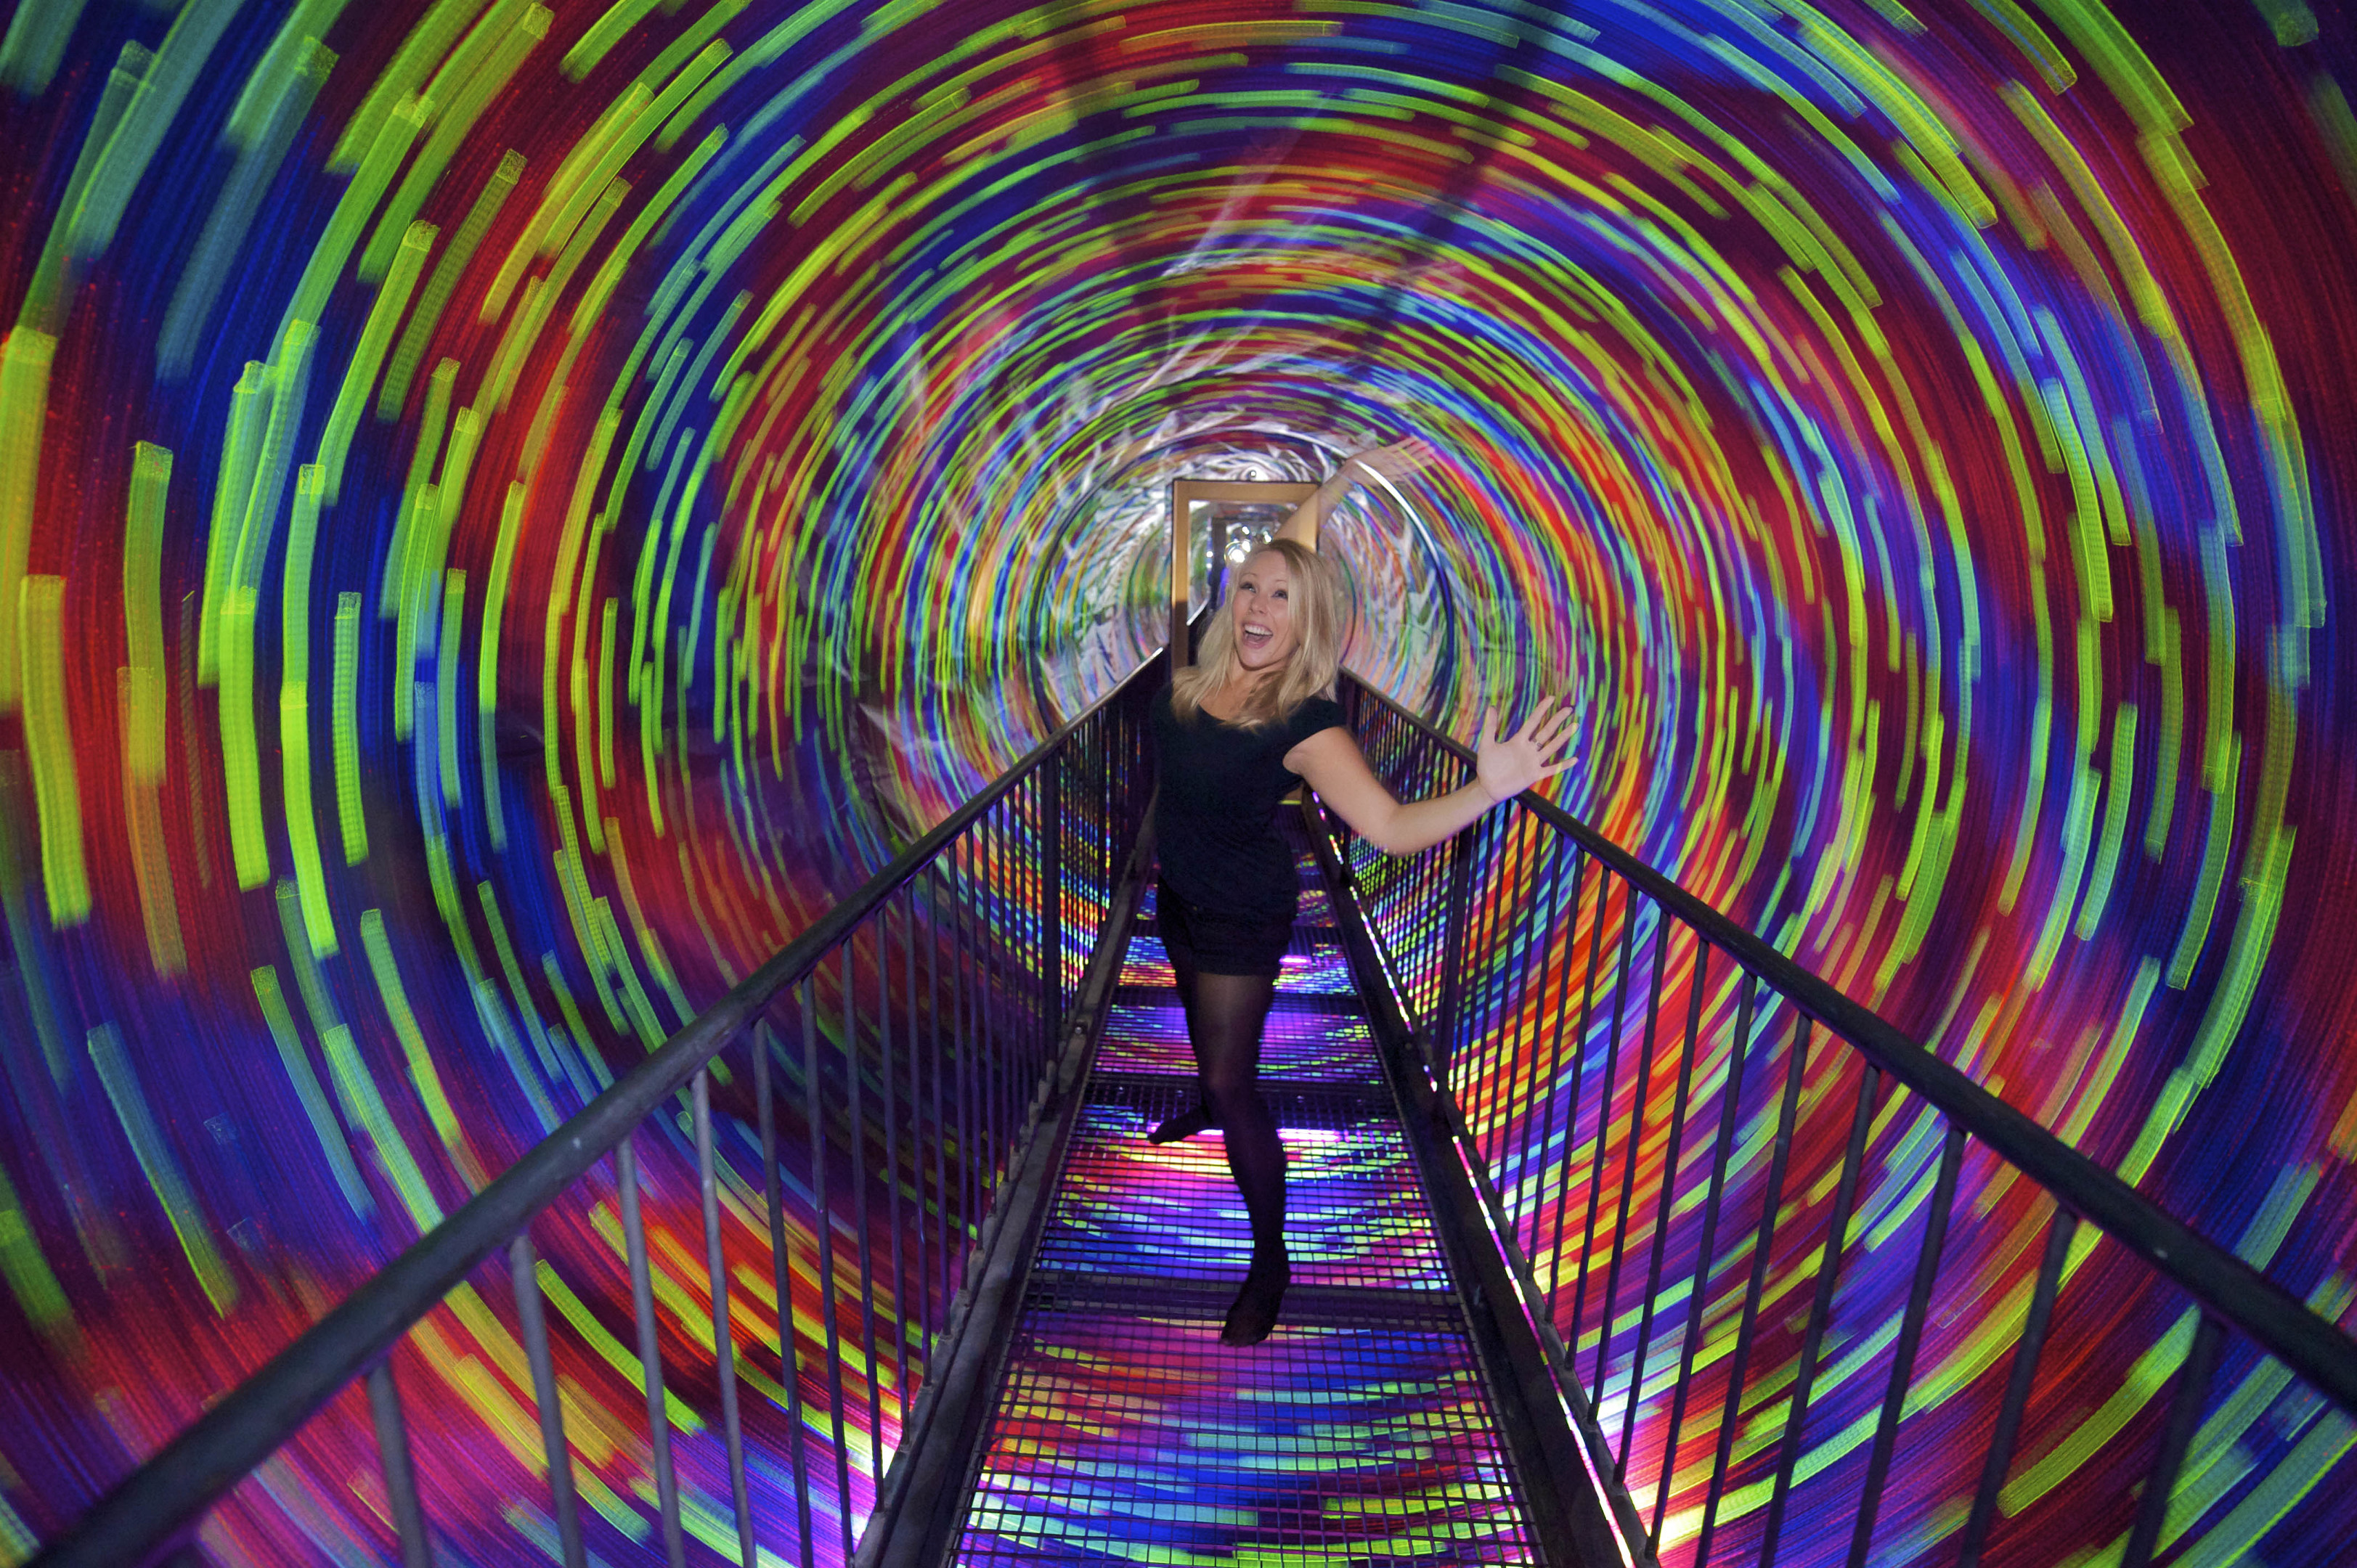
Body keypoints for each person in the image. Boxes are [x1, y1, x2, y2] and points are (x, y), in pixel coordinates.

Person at [1148, 521, 1574, 1346]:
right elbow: (1276, 550)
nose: (1261, 608)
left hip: (1241, 919)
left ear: (1310, 624)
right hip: (1179, 901)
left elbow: (1390, 827)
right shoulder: (1194, 679)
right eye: (1251, 588)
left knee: (1238, 1088)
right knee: (1210, 1052)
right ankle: (1205, 1094)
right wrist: (1335, 489)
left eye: (1285, 598)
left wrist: (1488, 791)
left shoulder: (1305, 724)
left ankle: (1271, 1259)